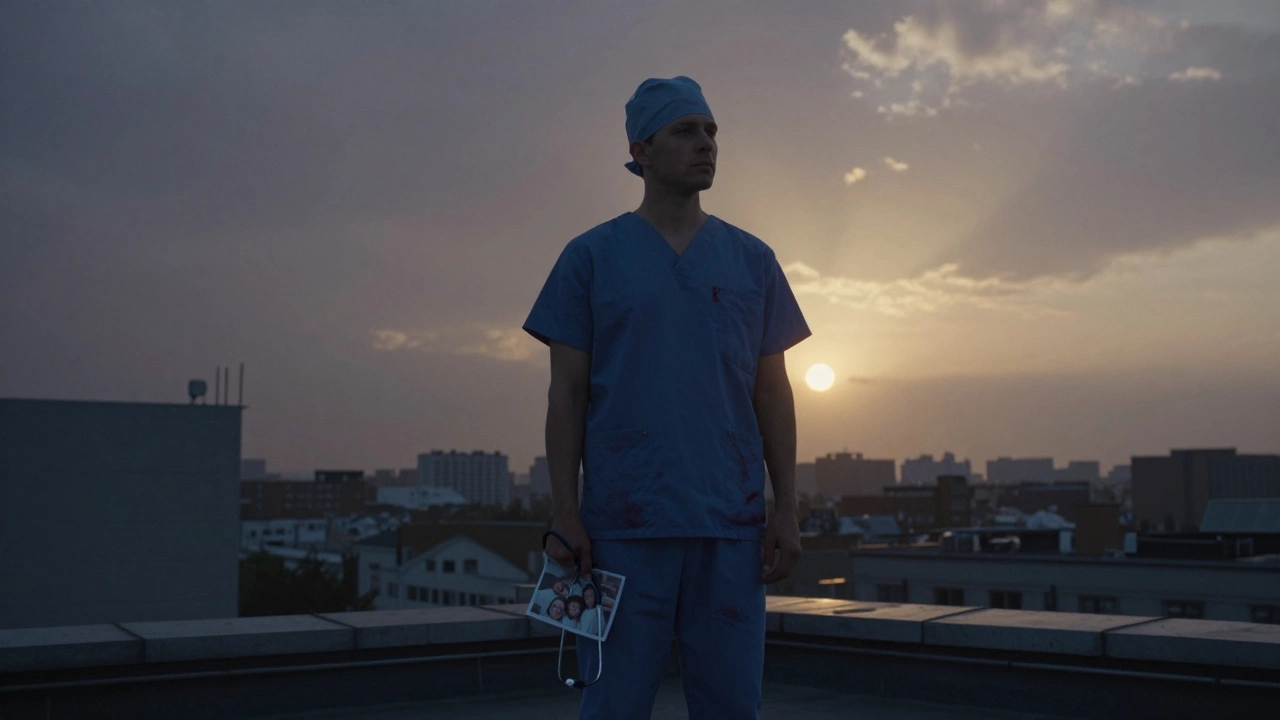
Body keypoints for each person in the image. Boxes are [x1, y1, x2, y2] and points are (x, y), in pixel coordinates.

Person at [523, 75, 809, 719]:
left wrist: (785, 508)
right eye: (686, 130)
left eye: (711, 131)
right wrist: (565, 511)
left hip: (730, 526)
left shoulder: (752, 260)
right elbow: (565, 394)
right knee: (613, 706)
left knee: (733, 706)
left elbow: (773, 392)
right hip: (622, 526)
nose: (706, 143)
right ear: (641, 150)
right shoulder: (590, 258)